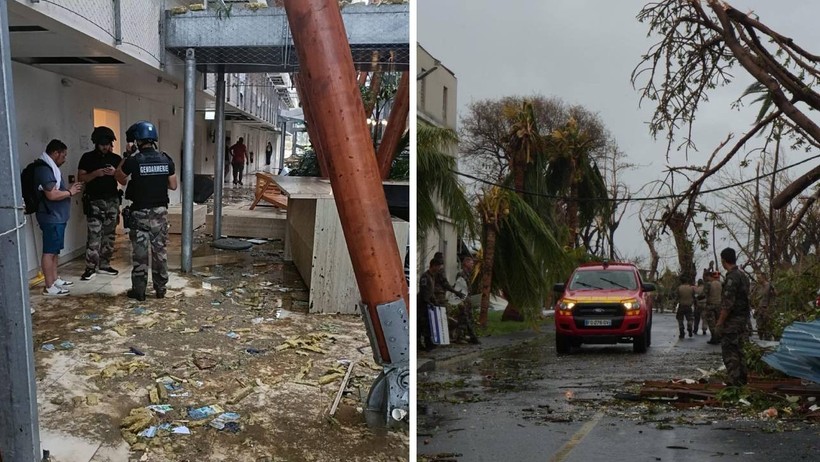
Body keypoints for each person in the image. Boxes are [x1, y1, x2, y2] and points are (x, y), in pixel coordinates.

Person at [115, 121, 177, 301]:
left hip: (139, 214)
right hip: (160, 214)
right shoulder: (166, 159)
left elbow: (119, 177)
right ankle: (160, 289)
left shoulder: (134, 161)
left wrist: (127, 154)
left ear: (137, 141)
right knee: (160, 252)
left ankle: (140, 291)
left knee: (140, 254)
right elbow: (173, 185)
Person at [34, 139, 83, 295]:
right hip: (51, 217)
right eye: (63, 155)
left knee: (54, 250)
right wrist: (70, 192)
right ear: (55, 153)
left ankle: (55, 279)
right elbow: (52, 194)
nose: (65, 159)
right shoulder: (44, 169)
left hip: (57, 217)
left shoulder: (51, 167)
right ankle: (49, 286)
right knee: (49, 251)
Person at [77, 126, 122, 281]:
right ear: (96, 143)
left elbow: (124, 180)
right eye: (103, 143)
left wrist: (114, 173)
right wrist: (96, 174)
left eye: (108, 143)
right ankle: (90, 267)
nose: (105, 147)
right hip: (94, 201)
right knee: (94, 235)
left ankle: (105, 264)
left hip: (112, 201)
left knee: (109, 235)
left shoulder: (116, 159)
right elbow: (81, 178)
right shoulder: (87, 158)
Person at [715, 248, 751, 387]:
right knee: (740, 350)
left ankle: (734, 380)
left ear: (724, 260)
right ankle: (742, 379)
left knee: (730, 351)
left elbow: (727, 304)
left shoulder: (732, 277)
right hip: (743, 320)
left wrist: (719, 323)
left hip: (733, 321)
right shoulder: (743, 276)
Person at [449, 255, 480, 344]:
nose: (472, 265)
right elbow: (459, 288)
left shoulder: (467, 275)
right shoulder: (461, 274)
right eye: (471, 263)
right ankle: (472, 337)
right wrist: (461, 301)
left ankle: (461, 336)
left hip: (467, 300)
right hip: (463, 300)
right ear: (465, 263)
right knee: (466, 318)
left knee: (464, 319)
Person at [418, 258, 444, 351]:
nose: (439, 269)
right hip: (423, 304)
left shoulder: (432, 276)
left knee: (428, 325)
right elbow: (424, 292)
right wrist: (429, 303)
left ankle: (429, 344)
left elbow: (431, 292)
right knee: (424, 325)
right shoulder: (425, 277)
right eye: (438, 266)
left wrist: (435, 302)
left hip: (428, 303)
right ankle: (426, 344)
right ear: (434, 266)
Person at [754, 274, 776, 341]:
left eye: (759, 278)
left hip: (767, 308)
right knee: (759, 326)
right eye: (757, 278)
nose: (758, 279)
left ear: (763, 278)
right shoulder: (759, 287)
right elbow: (756, 298)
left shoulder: (769, 286)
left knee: (767, 327)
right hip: (759, 309)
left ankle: (767, 340)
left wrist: (773, 290)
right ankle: (761, 339)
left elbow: (776, 294)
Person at [703, 271, 722, 344]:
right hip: (719, 305)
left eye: (706, 277)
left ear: (708, 276)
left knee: (711, 323)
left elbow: (704, 294)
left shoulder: (709, 284)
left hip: (710, 305)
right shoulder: (720, 283)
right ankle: (719, 337)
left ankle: (714, 338)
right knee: (718, 322)